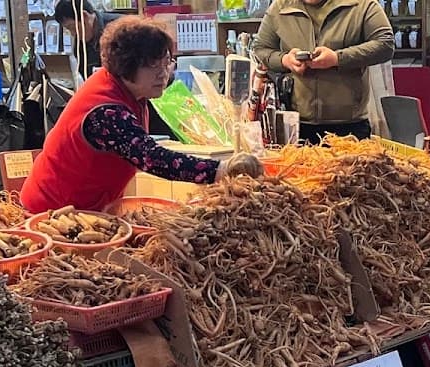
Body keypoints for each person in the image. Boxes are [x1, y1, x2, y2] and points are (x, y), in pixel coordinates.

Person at [20, 18, 258, 214]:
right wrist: (220, 170)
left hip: (88, 206)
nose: (163, 73)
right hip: (53, 211)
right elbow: (151, 158)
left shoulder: (132, 91)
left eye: (166, 62)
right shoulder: (106, 111)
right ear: (127, 66)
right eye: (153, 66)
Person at [253, 0, 394, 144]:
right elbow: (260, 48)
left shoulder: (361, 4)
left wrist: (337, 58)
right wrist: (285, 60)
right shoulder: (281, 6)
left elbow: (385, 44)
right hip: (298, 123)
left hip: (349, 126)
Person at [51, 0, 123, 79]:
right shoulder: (80, 47)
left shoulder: (121, 28)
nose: (73, 33)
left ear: (84, 16)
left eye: (72, 27)